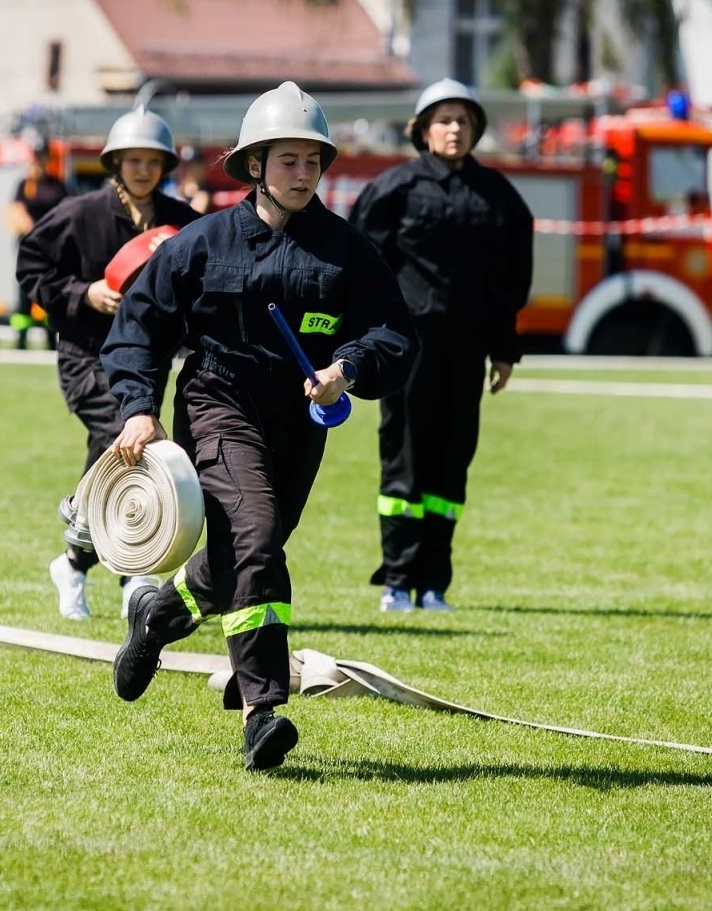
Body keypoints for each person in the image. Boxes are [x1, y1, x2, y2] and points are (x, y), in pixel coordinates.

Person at [100, 81, 416, 771]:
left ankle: (157, 617)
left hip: (300, 422)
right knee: (260, 537)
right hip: (217, 403)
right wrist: (137, 407)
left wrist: (349, 368)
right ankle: (262, 711)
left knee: (242, 554)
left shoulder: (346, 252)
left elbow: (396, 336)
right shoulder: (201, 243)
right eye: (288, 161)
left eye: (313, 162)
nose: (303, 175)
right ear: (255, 165)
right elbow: (139, 325)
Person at [348, 78, 534, 612]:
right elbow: (361, 269)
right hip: (406, 348)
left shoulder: (500, 197)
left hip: (467, 347)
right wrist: (361, 342)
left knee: (452, 464)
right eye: (444, 120)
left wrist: (504, 349)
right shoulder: (393, 189)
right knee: (403, 460)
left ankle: (433, 585)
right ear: (423, 130)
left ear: (475, 130)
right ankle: (396, 583)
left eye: (463, 121)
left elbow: (510, 280)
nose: (454, 129)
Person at [17, 107, 201, 620]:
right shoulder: (80, 214)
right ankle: (133, 571)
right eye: (132, 160)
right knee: (126, 439)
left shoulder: (182, 221)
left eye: (152, 161)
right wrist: (84, 292)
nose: (143, 170)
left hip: (147, 364)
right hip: (85, 358)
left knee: (121, 450)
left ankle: (76, 562)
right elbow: (30, 265)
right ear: (114, 162)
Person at [8, 157, 68, 239]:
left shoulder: (56, 184)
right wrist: (31, 229)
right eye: (37, 158)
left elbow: (65, 210)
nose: (40, 162)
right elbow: (16, 212)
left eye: (43, 157)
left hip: (51, 237)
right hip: (29, 237)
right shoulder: (25, 184)